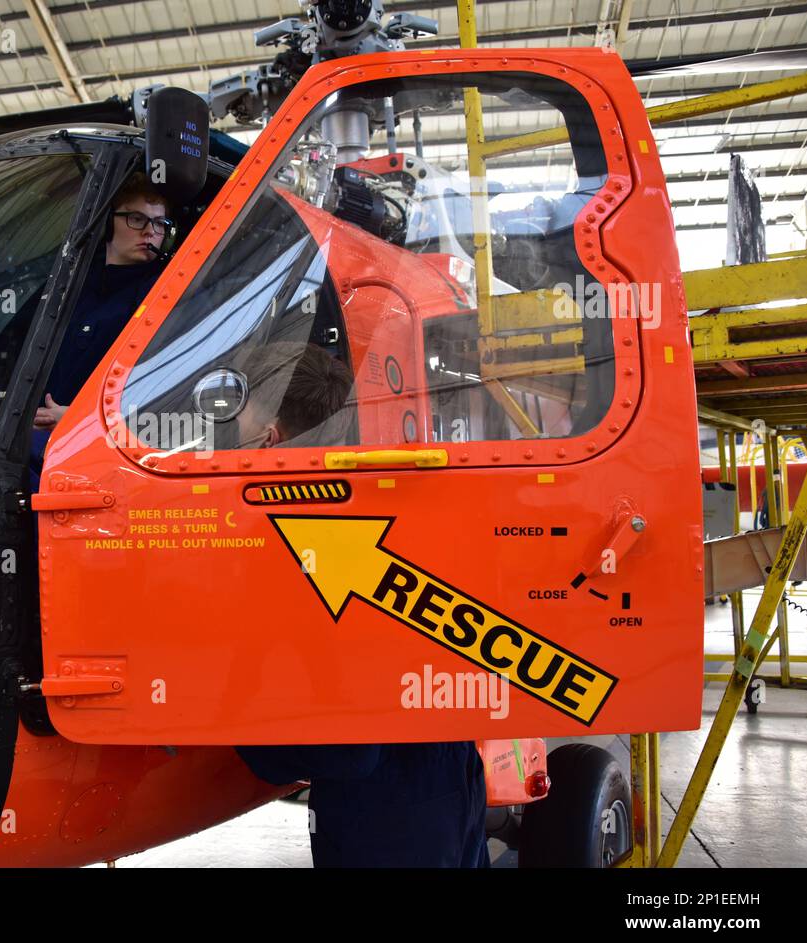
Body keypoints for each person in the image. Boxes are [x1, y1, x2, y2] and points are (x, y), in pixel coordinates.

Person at [230, 340, 489, 869]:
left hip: (386, 814)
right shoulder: (371, 501)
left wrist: (234, 739)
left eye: (242, 406)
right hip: (444, 775)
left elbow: (351, 746)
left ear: (269, 436)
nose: (229, 424)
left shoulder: (300, 542)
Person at [29, 174, 171, 481]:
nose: (150, 231)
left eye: (159, 224)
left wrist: (79, 419)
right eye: (137, 218)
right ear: (109, 223)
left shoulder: (165, 291)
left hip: (106, 455)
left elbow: (166, 384)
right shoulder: (68, 279)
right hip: (38, 443)